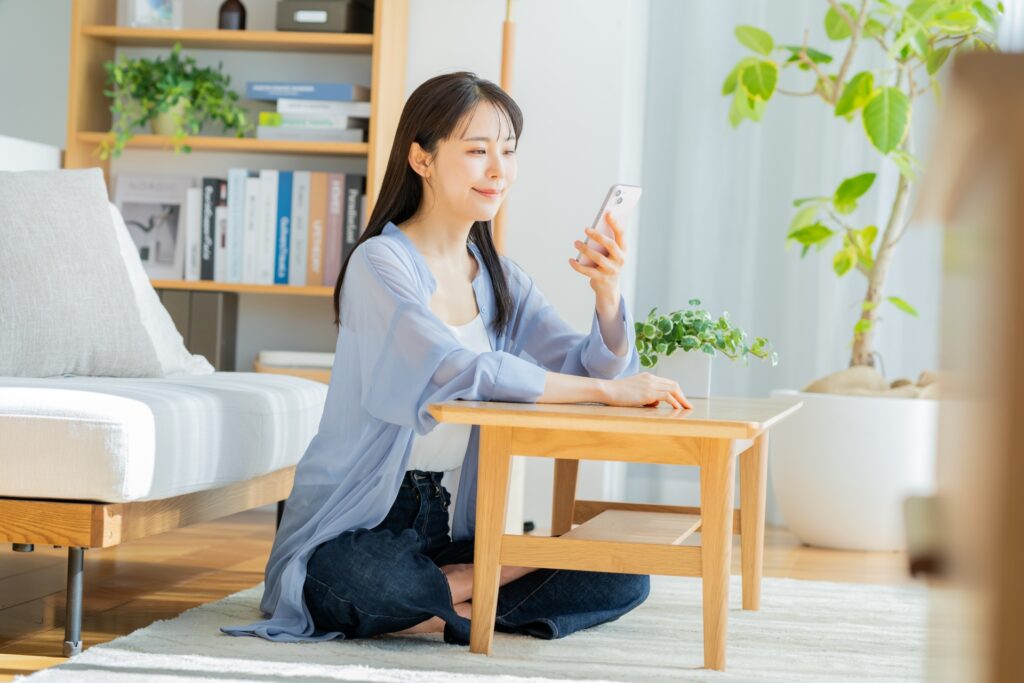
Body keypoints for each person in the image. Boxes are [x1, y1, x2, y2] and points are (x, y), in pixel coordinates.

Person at [222, 71, 691, 647]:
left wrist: (608, 293)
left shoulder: (499, 278)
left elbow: (588, 368)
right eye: (476, 151)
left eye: (508, 152)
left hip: (443, 521)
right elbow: (457, 371)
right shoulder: (380, 264)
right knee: (368, 580)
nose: (499, 171)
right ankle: (472, 593)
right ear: (422, 159)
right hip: (358, 525)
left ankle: (454, 593)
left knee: (622, 575)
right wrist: (608, 392)